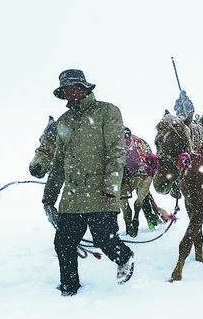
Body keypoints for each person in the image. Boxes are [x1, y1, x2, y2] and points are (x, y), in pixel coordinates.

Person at [42, 69, 134, 296]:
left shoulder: (107, 112)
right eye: (64, 91)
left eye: (71, 89)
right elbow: (59, 161)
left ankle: (125, 258)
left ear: (83, 88)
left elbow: (116, 151)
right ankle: (69, 288)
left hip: (100, 191)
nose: (68, 94)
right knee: (63, 242)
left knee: (104, 238)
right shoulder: (64, 121)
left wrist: (111, 188)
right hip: (72, 195)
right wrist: (50, 195)